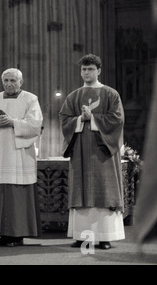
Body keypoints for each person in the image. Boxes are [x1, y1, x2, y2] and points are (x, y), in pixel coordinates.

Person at [59, 54, 125, 250]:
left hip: (103, 152)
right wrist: (80, 119)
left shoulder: (111, 94)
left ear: (99, 71)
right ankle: (81, 237)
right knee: (81, 190)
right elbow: (64, 119)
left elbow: (117, 119)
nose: (86, 73)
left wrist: (93, 118)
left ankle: (104, 237)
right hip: (80, 152)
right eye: (84, 69)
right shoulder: (74, 96)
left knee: (104, 191)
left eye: (90, 69)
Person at [0, 68, 43, 246]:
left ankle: (18, 235)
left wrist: (13, 122)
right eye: (6, 80)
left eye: (13, 81)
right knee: (1, 194)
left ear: (21, 82)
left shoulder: (30, 99)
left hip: (20, 155)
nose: (9, 84)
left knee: (17, 196)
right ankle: (3, 234)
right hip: (0, 153)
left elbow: (35, 125)